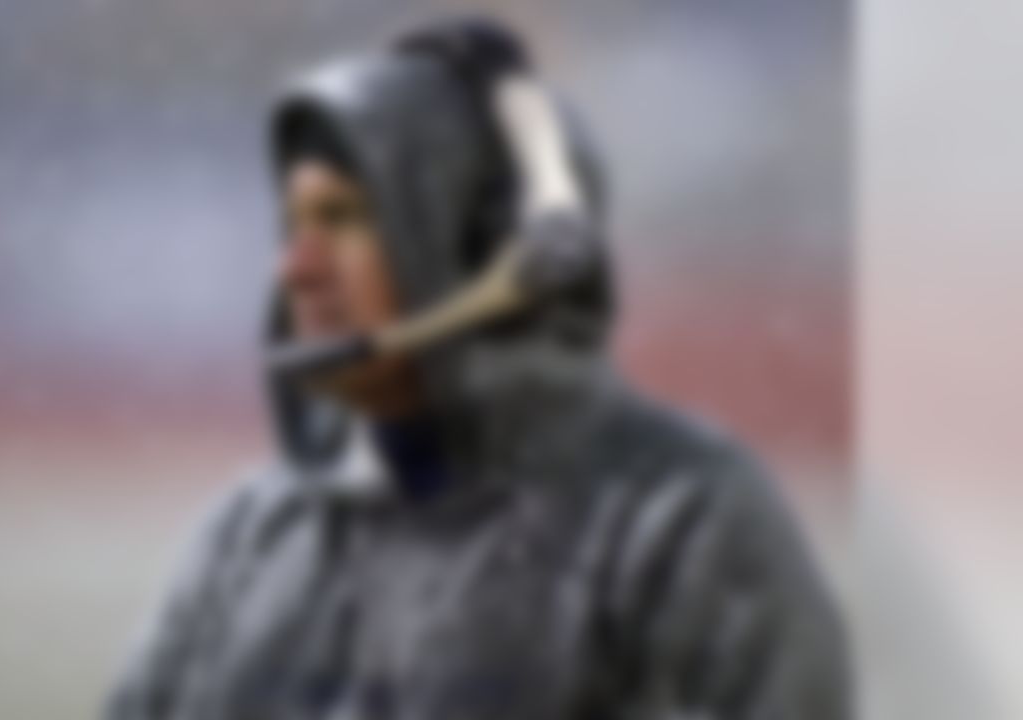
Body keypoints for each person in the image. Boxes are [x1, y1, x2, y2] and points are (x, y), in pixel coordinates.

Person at [107, 17, 852, 720]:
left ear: (490, 247)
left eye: (346, 220)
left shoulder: (681, 522)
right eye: (293, 227)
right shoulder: (252, 536)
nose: (297, 269)